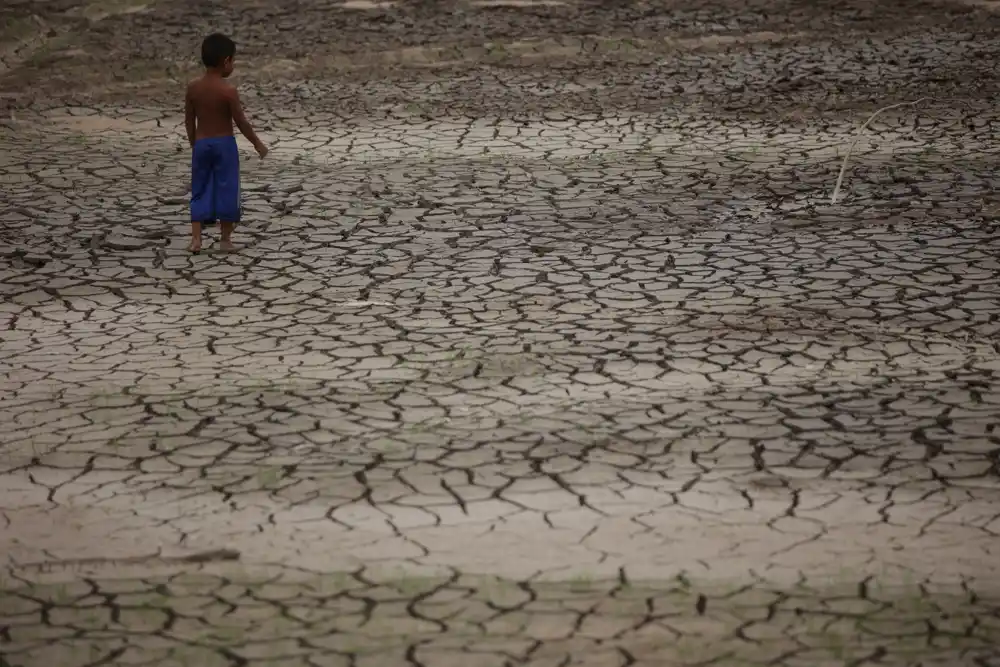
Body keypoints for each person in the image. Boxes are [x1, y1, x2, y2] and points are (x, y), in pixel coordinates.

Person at [185, 33, 268, 253]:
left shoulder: (193, 88)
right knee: (227, 188)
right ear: (226, 62)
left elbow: (189, 121)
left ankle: (196, 240)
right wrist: (257, 143)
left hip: (202, 144)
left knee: (199, 189)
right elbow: (241, 121)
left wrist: (194, 143)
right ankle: (225, 239)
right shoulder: (228, 91)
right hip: (224, 145)